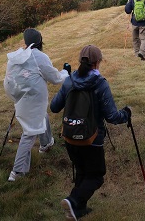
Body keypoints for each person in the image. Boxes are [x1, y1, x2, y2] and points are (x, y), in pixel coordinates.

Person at [50, 45, 131, 221]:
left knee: (82, 172)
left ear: (81, 61)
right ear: (97, 62)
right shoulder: (100, 83)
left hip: (70, 137)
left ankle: (78, 210)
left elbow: (54, 107)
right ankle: (73, 201)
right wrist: (126, 114)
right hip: (92, 139)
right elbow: (111, 116)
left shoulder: (70, 81)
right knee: (96, 176)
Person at [3, 28, 70, 182]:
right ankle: (17, 172)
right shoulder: (39, 56)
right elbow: (55, 78)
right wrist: (66, 72)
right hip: (32, 98)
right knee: (30, 133)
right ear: (40, 41)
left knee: (41, 115)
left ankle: (46, 144)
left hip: (20, 96)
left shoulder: (16, 56)